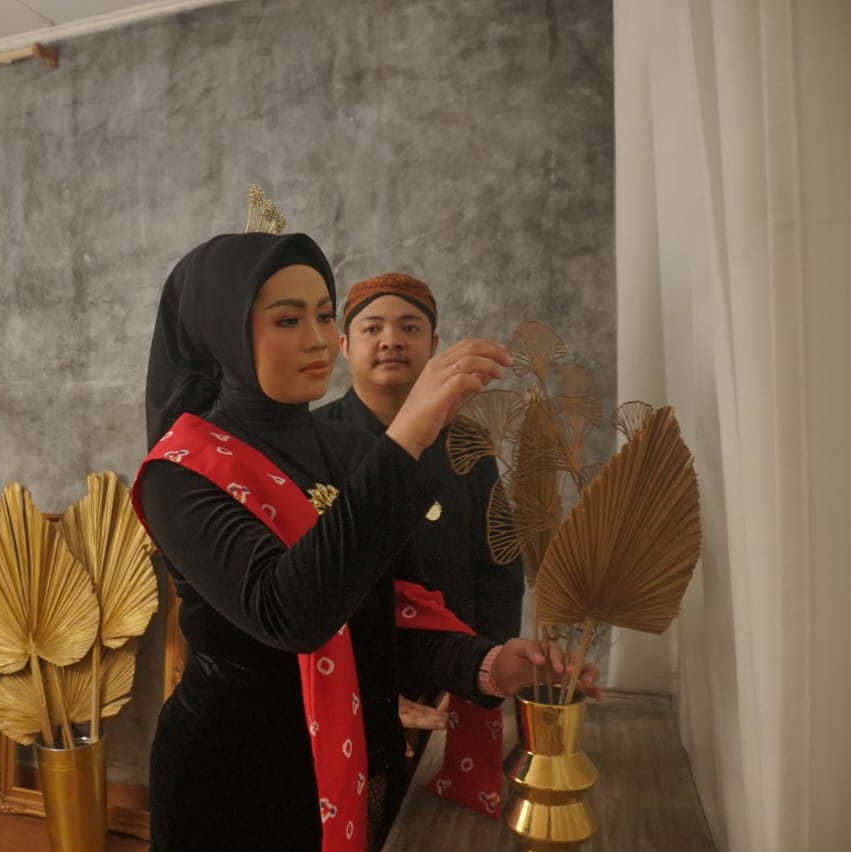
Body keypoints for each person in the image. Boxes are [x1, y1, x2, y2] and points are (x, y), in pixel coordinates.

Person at [131, 232, 600, 852]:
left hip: (361, 756)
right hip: (238, 778)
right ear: (224, 334)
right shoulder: (181, 472)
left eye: (325, 316)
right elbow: (291, 613)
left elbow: (386, 611)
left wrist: (488, 664)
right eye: (288, 320)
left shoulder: (349, 449)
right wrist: (409, 437)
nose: (320, 340)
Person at [315, 274, 525, 743]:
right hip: (349, 682)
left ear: (433, 345)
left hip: (458, 675)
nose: (391, 340)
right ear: (344, 345)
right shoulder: (313, 440)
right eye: (372, 328)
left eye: (409, 328)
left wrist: (485, 668)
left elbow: (499, 565)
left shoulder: (466, 443)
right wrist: (370, 692)